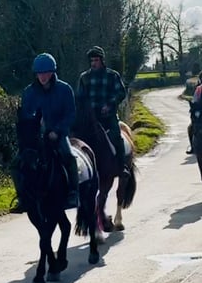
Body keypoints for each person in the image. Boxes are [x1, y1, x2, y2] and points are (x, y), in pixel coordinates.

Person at [21, 52, 79, 208]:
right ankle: (22, 196)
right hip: (36, 137)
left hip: (57, 135)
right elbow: (25, 113)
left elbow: (71, 114)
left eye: (46, 72)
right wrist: (33, 125)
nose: (42, 76)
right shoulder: (29, 92)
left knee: (69, 156)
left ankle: (74, 192)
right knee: (19, 162)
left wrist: (57, 130)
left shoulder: (64, 89)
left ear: (52, 72)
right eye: (39, 73)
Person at [76, 45, 128, 176]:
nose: (93, 63)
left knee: (117, 137)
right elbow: (80, 98)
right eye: (92, 61)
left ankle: (122, 167)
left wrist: (110, 105)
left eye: (96, 60)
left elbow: (121, 93)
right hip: (90, 118)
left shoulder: (112, 75)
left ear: (102, 60)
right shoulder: (84, 77)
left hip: (107, 116)